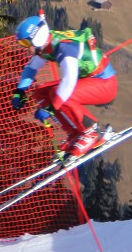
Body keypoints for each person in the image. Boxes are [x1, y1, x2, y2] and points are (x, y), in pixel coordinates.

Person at [10, 15, 118, 159]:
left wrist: (51, 108)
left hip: (105, 83)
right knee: (41, 92)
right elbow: (31, 68)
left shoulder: (63, 47)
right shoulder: (46, 46)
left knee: (59, 94)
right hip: (91, 80)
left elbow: (69, 81)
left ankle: (91, 132)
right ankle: (75, 133)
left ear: (36, 38)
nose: (24, 47)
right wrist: (20, 91)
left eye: (24, 43)